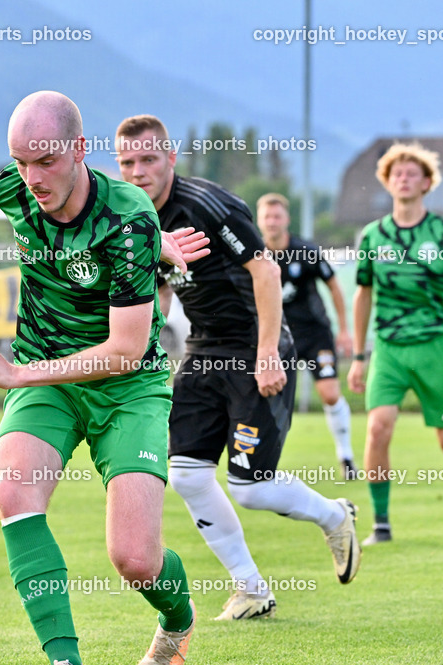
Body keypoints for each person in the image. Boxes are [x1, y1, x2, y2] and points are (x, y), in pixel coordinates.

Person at [0, 92, 208, 665]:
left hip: (128, 386)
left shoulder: (127, 219)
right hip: (49, 380)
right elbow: (44, 188)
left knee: (135, 559)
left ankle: (178, 620)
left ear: (79, 149)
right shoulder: (11, 191)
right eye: (21, 161)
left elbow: (125, 351)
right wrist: (156, 245)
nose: (32, 178)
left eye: (46, 161)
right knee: (14, 494)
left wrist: (17, 373)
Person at [115, 115, 361, 623]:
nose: (138, 172)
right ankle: (250, 589)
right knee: (186, 475)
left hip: (255, 347)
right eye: (127, 162)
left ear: (170, 159)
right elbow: (159, 288)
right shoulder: (133, 217)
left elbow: (264, 269)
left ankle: (335, 516)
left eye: (148, 159)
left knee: (251, 488)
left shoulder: (209, 205)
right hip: (204, 350)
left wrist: (268, 353)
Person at [347, 142, 443, 546]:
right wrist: (359, 356)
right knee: (377, 428)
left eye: (412, 173)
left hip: (437, 347)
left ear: (427, 183)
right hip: (389, 349)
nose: (403, 179)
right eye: (397, 173)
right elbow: (363, 295)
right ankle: (381, 524)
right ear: (386, 181)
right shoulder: (373, 235)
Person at [256, 193, 358, 480]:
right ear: (260, 221)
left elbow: (334, 286)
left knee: (330, 394)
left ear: (287, 219)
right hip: (277, 339)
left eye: (277, 216)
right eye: (267, 217)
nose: (272, 222)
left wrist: (344, 330)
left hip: (315, 335)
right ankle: (264, 463)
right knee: (271, 398)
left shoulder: (305, 251)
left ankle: (346, 456)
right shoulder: (254, 254)